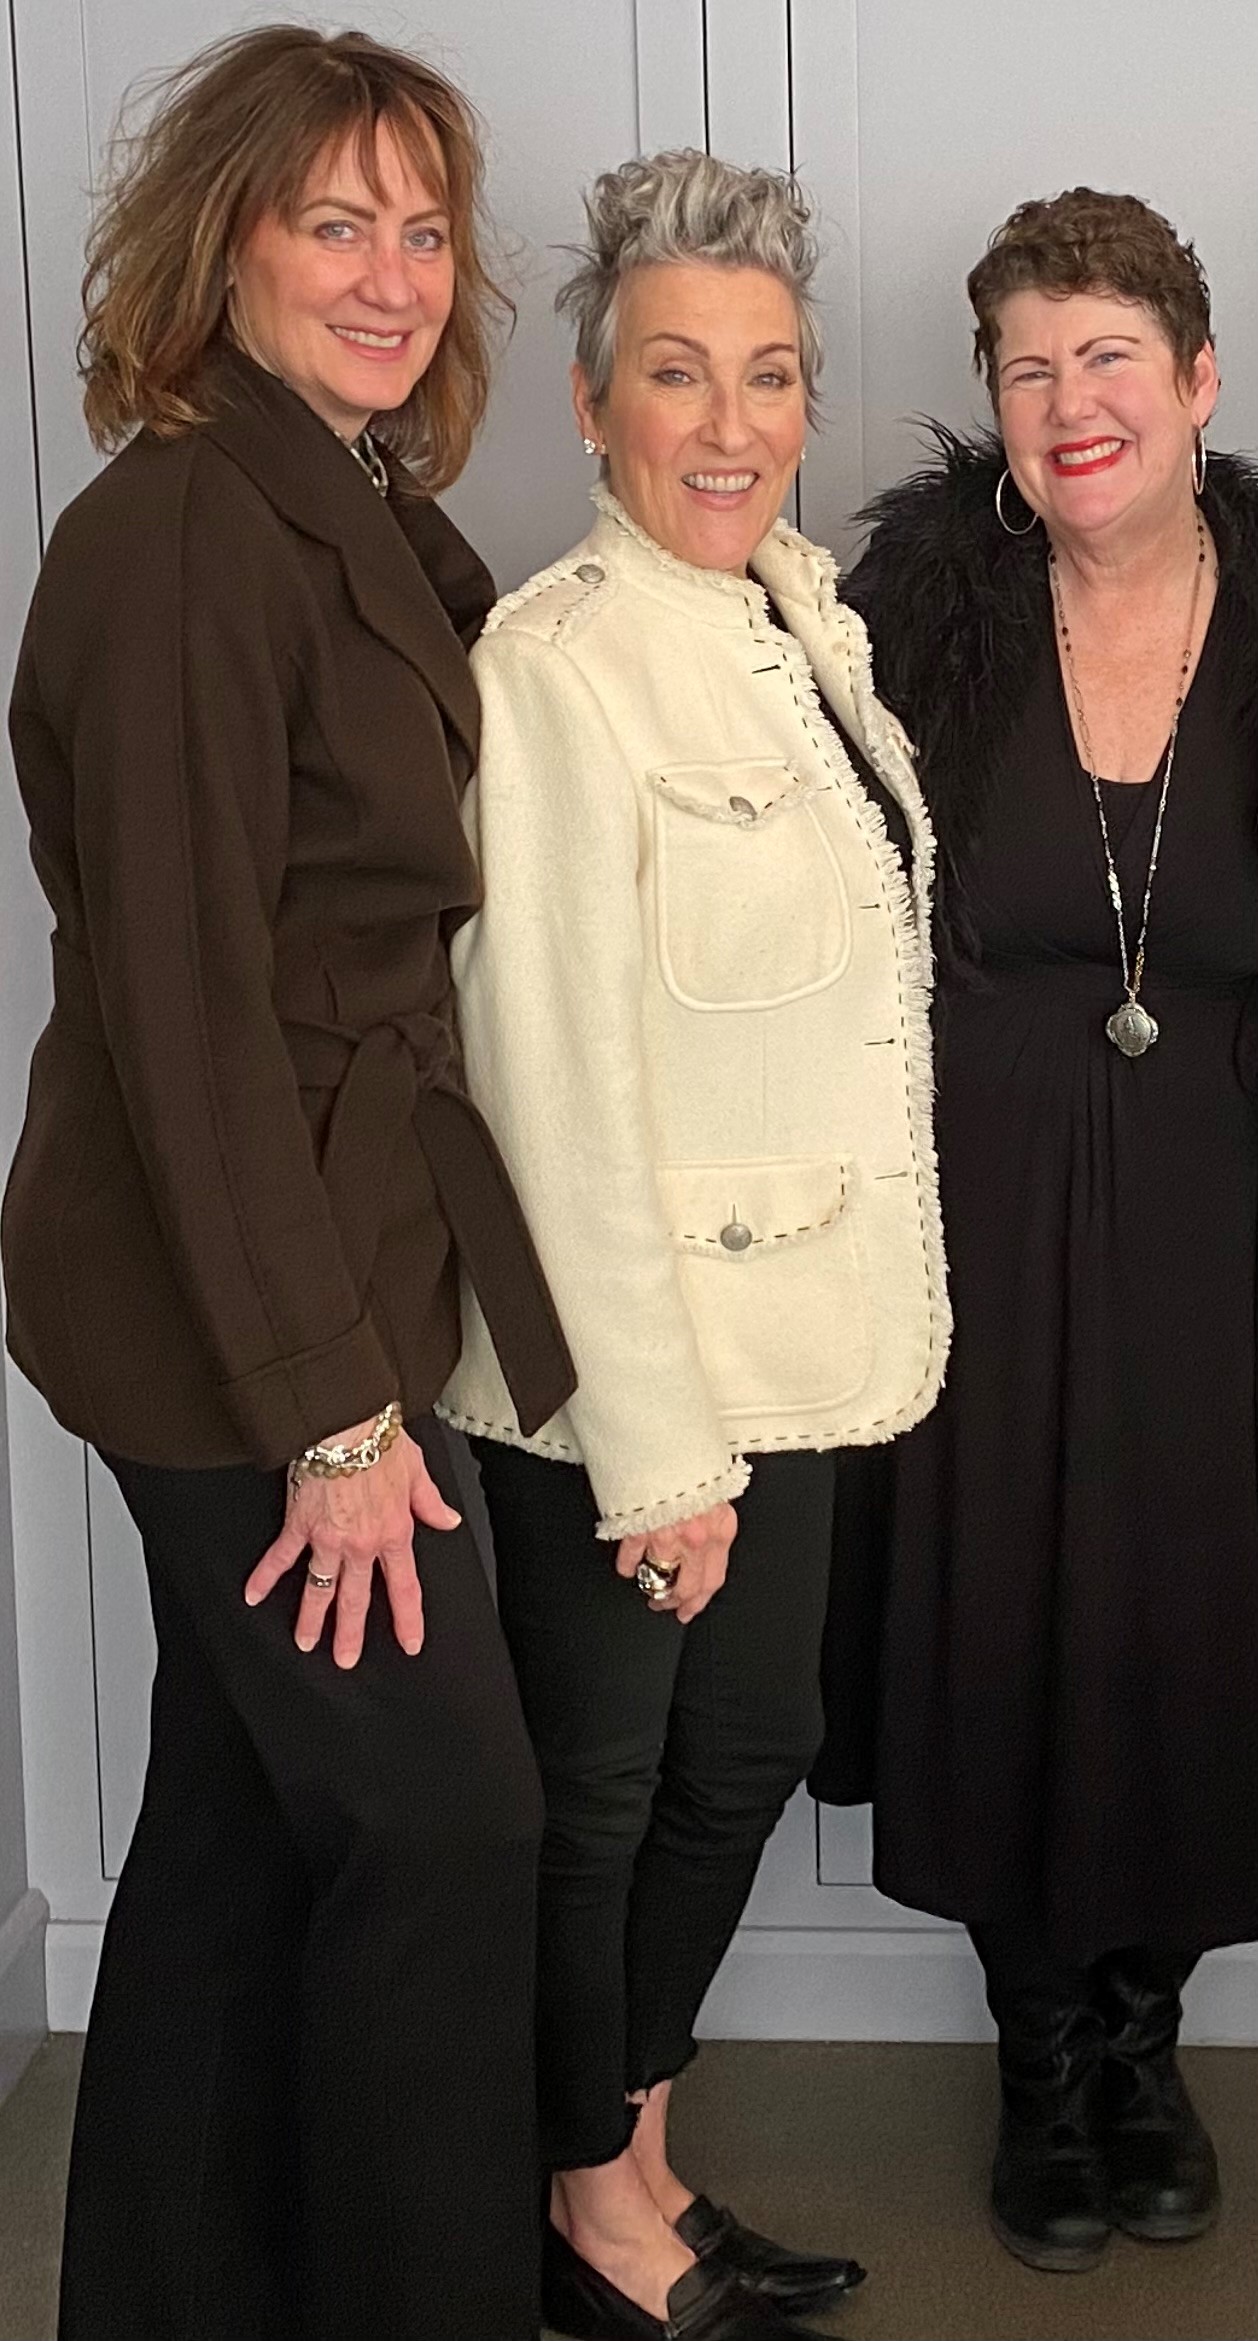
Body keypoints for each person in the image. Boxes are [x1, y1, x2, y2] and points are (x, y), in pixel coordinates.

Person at [1, 26, 575, 2340]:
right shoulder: (170, 541)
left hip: (343, 1252)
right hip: (234, 1315)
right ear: (220, 244)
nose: (391, 276)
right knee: (448, 1826)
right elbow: (188, 1016)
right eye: (334, 223)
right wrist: (332, 1414)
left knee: (244, 1834)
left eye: (421, 231)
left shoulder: (331, 499)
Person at [439, 149, 951, 2341]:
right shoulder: (552, 666)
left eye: (769, 373)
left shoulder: (800, 627)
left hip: (793, 1342)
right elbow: (546, 1088)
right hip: (620, 1385)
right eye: (676, 372)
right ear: (590, 404)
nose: (730, 423)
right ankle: (590, 2213)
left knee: (739, 1759)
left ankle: (627, 2163)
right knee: (602, 1796)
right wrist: (653, 1457)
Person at [813, 185, 1258, 2273]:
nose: (1069, 402)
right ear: (990, 404)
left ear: (1195, 380)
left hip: (1224, 1213)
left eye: (1107, 357)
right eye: (1025, 366)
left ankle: (1143, 2046)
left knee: (1193, 1600)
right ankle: (1034, 2051)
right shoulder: (909, 621)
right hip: (966, 1206)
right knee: (996, 1601)